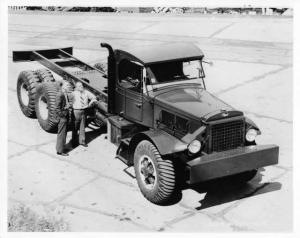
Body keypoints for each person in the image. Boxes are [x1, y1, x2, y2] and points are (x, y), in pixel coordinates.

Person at [72, 82, 96, 147]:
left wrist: (89, 104)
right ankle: (74, 142)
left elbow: (94, 97)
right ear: (76, 88)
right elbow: (69, 101)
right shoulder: (73, 93)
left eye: (82, 86)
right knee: (75, 127)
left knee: (82, 127)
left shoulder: (86, 92)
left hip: (84, 111)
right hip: (76, 111)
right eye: (79, 86)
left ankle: (82, 141)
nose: (81, 87)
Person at [55, 81, 73, 156]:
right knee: (61, 134)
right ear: (63, 86)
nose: (69, 86)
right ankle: (60, 151)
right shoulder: (60, 94)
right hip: (62, 117)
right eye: (67, 85)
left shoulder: (64, 93)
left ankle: (62, 147)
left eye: (69, 85)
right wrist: (62, 115)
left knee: (64, 133)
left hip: (65, 116)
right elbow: (57, 108)